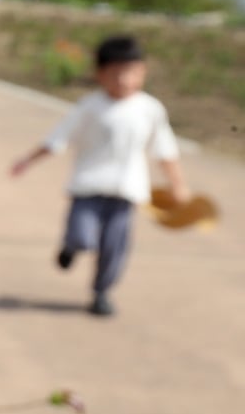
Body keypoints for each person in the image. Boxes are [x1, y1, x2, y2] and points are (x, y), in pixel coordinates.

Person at [10, 35, 189, 317]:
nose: (124, 80)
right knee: (83, 236)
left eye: (132, 73)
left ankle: (101, 292)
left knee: (113, 248)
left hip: (126, 192)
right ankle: (71, 246)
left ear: (143, 72)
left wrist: (178, 185)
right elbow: (57, 139)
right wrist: (27, 161)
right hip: (88, 188)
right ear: (100, 74)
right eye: (116, 73)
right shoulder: (90, 106)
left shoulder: (150, 109)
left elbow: (165, 150)